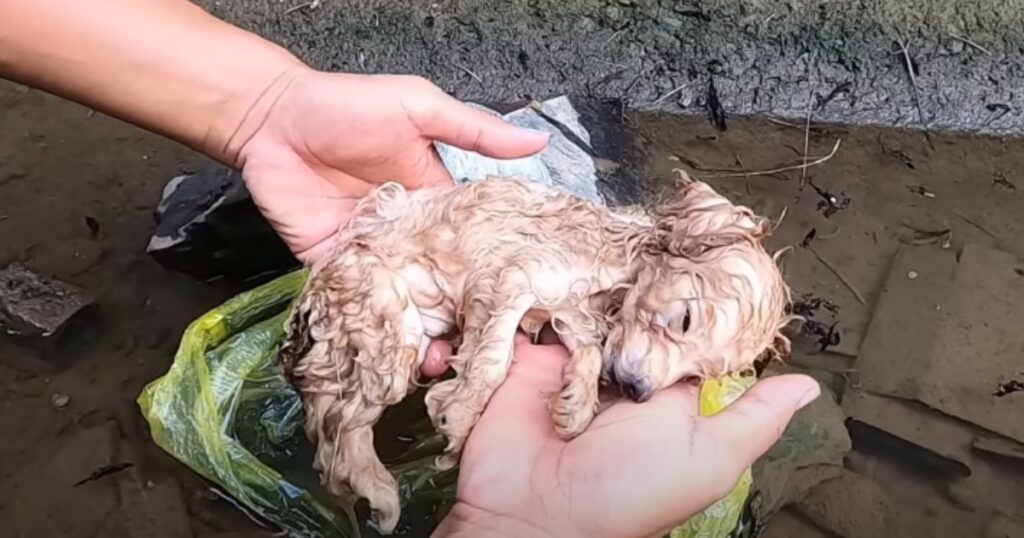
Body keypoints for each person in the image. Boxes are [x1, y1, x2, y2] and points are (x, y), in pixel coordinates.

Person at [0, 2, 821, 537]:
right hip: (399, 264)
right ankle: (345, 452)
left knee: (403, 354)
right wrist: (484, 371)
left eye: (694, 368)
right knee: (372, 366)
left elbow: (568, 319)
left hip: (423, 264)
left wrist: (267, 106)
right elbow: (511, 286)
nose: (658, 373)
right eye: (679, 329)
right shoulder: (591, 249)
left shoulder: (625, 290)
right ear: (686, 243)